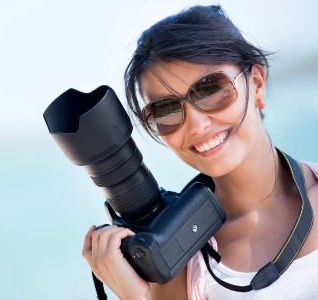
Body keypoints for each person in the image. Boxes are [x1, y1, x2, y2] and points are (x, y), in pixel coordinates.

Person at [81, 5, 318, 300]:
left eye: (210, 89)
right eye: (165, 109)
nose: (196, 124)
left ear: (256, 84)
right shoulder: (179, 263)